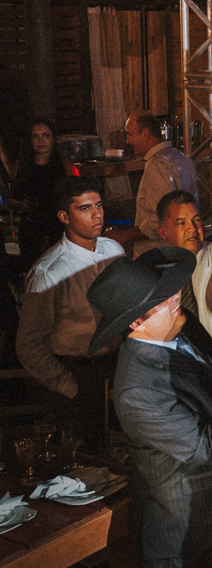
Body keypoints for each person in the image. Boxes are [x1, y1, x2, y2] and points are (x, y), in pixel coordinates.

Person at [89, 246, 212, 568]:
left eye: (168, 292)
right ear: (136, 323)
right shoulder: (137, 389)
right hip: (191, 533)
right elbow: (205, 447)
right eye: (161, 301)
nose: (175, 299)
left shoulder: (180, 323)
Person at [15, 176, 125, 451]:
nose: (97, 215)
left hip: (117, 366)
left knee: (121, 452)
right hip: (76, 372)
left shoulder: (114, 250)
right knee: (84, 458)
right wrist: (70, 387)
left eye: (99, 205)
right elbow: (28, 345)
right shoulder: (48, 272)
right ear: (64, 216)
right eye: (85, 208)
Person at [155, 190, 212, 360]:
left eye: (196, 220)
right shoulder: (156, 274)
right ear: (162, 232)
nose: (193, 229)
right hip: (182, 367)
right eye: (181, 223)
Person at [6, 117, 76, 268]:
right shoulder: (22, 166)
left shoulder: (65, 165)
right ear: (30, 140)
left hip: (58, 226)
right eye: (35, 136)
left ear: (53, 138)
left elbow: (75, 196)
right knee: (34, 270)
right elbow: (11, 200)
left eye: (45, 135)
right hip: (32, 229)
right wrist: (21, 205)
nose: (41, 140)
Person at [121, 110, 200, 243]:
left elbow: (159, 219)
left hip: (160, 249)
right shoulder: (182, 157)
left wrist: (125, 236)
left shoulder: (156, 165)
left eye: (130, 135)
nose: (128, 141)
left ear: (145, 134)